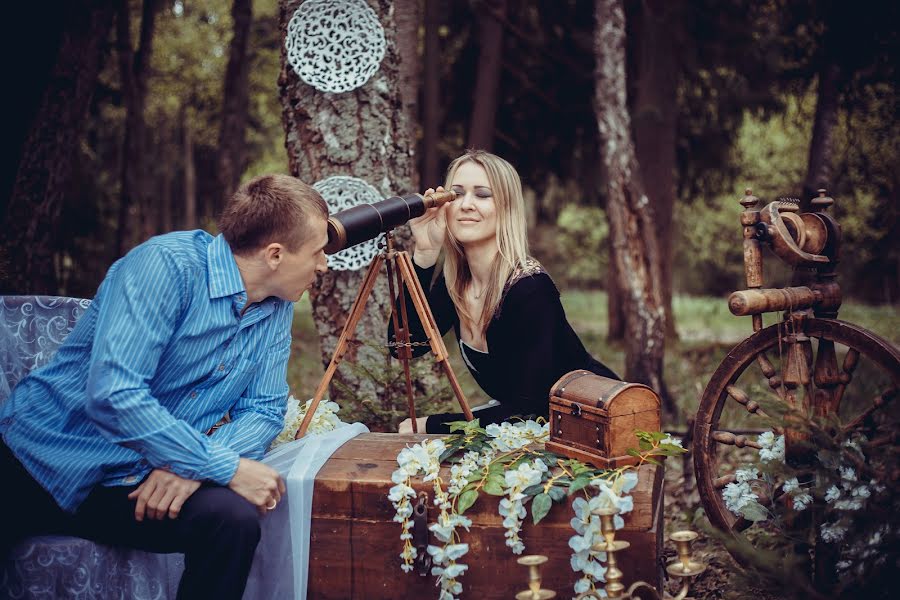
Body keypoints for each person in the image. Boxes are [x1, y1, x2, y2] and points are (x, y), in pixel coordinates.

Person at [0, 174, 329, 599]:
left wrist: (189, 466)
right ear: (275, 255)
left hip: (134, 482)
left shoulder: (277, 305)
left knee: (231, 521)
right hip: (40, 460)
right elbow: (115, 395)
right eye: (318, 252)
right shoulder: (164, 266)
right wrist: (220, 465)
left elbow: (264, 411)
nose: (323, 265)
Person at [391, 150, 618, 434]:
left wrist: (433, 425)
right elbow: (404, 347)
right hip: (529, 428)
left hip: (596, 422)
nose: (466, 205)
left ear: (507, 207)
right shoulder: (457, 283)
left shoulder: (530, 289)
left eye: (482, 195)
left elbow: (528, 411)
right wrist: (424, 255)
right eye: (457, 194)